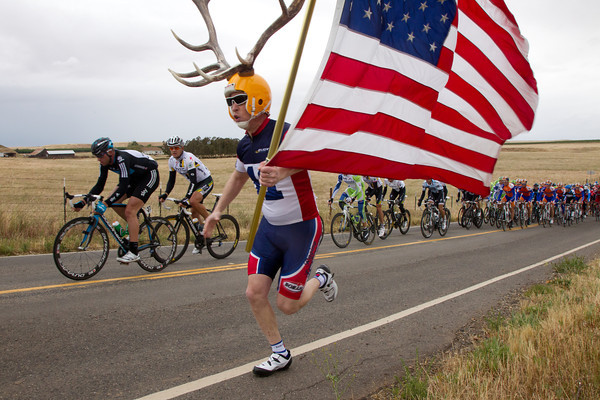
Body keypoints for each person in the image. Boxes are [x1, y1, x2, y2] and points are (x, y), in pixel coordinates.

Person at [202, 72, 338, 377]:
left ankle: (321, 277)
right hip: (269, 228)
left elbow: (319, 156)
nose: (233, 107)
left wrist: (284, 170)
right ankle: (280, 353)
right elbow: (238, 176)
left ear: (257, 100)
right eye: (229, 102)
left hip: (301, 227)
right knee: (254, 293)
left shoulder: (285, 134)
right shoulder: (244, 146)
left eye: (238, 100)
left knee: (287, 305)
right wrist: (217, 211)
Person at [72, 137, 159, 263]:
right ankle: (134, 225)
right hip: (133, 178)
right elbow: (100, 185)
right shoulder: (104, 162)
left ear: (110, 152)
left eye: (100, 156)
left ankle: (134, 252)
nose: (98, 159)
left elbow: (122, 186)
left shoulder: (122, 159)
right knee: (114, 202)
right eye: (96, 156)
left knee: (129, 210)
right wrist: (83, 202)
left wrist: (105, 204)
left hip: (149, 175)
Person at [158, 135, 213, 254]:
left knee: (193, 201)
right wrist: (165, 194)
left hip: (205, 181)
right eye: (171, 148)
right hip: (195, 184)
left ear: (182, 147)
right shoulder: (171, 161)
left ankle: (210, 222)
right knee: (193, 213)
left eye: (176, 147)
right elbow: (171, 180)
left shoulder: (189, 158)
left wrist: (187, 198)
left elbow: (193, 181)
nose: (173, 150)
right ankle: (202, 239)